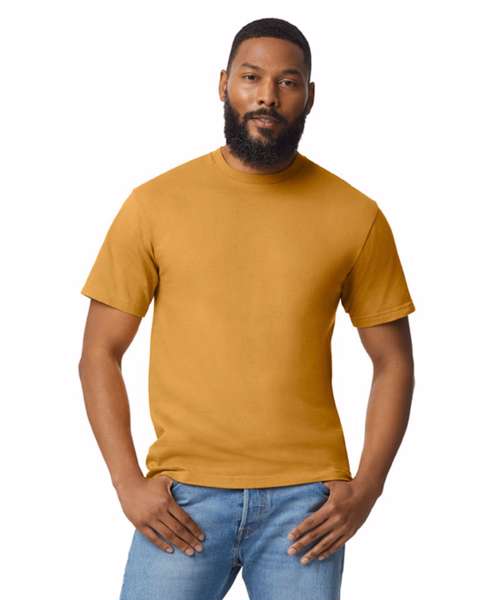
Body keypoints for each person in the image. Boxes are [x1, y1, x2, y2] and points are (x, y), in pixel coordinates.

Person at [78, 17, 416, 600]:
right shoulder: (154, 205)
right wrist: (127, 482)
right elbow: (99, 353)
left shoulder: (355, 215)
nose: (267, 95)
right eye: (251, 77)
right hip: (182, 500)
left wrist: (367, 489)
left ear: (310, 95)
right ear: (223, 85)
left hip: (306, 508)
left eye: (288, 81)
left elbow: (394, 363)